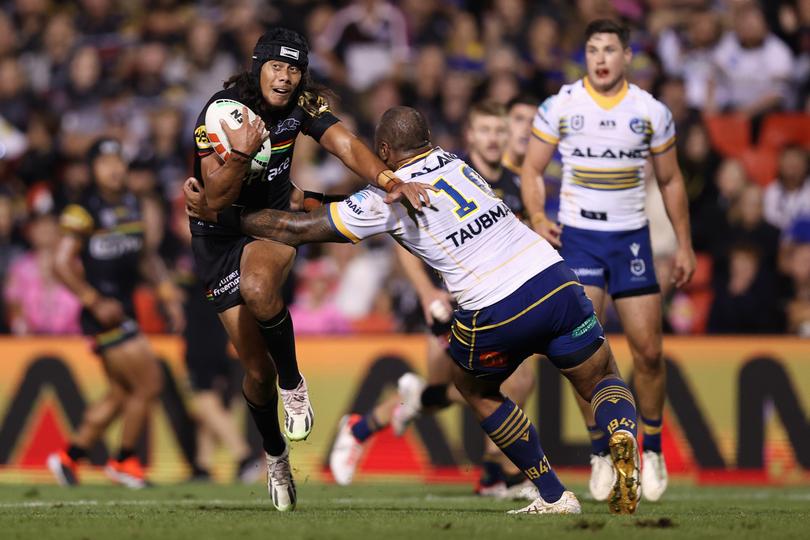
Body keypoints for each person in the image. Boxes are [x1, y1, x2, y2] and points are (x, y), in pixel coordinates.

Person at [188, 106, 642, 515]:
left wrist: (220, 216)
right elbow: (350, 208)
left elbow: (301, 230)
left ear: (383, 151)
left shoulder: (389, 197)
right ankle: (620, 432)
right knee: (601, 377)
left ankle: (553, 495)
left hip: (494, 304)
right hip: (554, 278)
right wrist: (313, 197)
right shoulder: (458, 163)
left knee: (474, 388)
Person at [189, 27, 431, 512]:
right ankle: (275, 456)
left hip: (274, 226)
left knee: (260, 288)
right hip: (217, 235)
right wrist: (240, 150)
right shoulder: (220, 113)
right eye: (277, 66)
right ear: (257, 67)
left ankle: (294, 384)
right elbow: (212, 200)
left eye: (294, 68)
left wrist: (389, 178)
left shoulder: (303, 105)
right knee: (254, 371)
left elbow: (346, 144)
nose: (285, 77)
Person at [327, 99, 541, 500]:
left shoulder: (513, 184)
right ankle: (366, 426)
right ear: (470, 136)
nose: (494, 139)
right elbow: (396, 239)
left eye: (500, 131)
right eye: (486, 130)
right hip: (445, 299)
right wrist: (426, 293)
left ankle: (497, 474)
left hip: (489, 297)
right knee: (459, 390)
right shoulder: (449, 168)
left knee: (502, 382)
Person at [519, 19, 696, 503]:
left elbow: (672, 180)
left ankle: (652, 447)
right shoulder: (561, 105)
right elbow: (531, 169)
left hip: (631, 240)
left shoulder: (650, 111)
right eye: (593, 49)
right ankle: (601, 449)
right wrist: (537, 214)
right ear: (586, 56)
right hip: (580, 239)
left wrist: (684, 243)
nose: (600, 58)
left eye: (610, 49)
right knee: (586, 357)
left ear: (627, 57)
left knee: (650, 353)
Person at [46, 138, 184, 488]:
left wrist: (166, 295)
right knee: (150, 382)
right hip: (104, 312)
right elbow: (60, 264)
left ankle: (69, 458)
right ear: (92, 169)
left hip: (124, 308)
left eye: (118, 160)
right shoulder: (82, 210)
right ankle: (124, 460)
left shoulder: (131, 204)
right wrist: (93, 300)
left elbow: (145, 257)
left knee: (122, 395)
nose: (114, 168)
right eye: (105, 162)